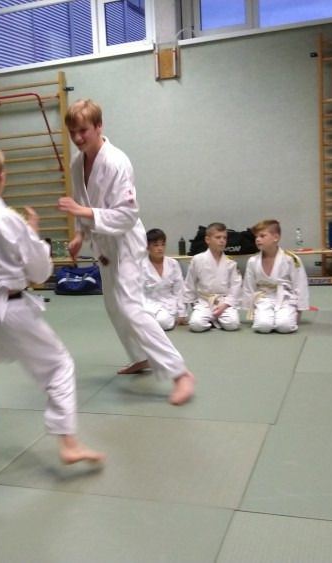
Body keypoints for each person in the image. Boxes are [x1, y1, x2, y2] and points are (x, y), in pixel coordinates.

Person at [0, 144, 104, 493]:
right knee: (59, 367)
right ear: (2, 177)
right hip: (13, 309)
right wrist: (31, 232)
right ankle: (68, 442)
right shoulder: (10, 221)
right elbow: (40, 271)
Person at [56, 99, 195, 405]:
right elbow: (84, 205)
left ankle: (180, 373)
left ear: (99, 126)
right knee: (113, 306)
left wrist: (83, 213)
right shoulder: (77, 163)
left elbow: (127, 215)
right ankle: (141, 356)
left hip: (126, 244)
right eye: (72, 132)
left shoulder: (117, 162)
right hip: (104, 245)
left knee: (131, 307)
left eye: (83, 130)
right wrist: (80, 235)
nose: (77, 138)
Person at [242, 219, 309, 334]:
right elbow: (249, 286)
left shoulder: (290, 259)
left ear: (276, 238)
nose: (257, 239)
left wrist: (299, 310)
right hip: (263, 298)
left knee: (284, 326)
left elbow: (300, 284)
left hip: (285, 299)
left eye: (262, 236)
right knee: (263, 326)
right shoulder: (253, 261)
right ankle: (266, 317)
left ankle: (283, 316)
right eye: (256, 236)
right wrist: (250, 308)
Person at [184, 222, 242, 332]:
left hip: (223, 301)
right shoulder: (197, 259)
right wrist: (185, 310)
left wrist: (226, 304)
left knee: (233, 324)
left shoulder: (230, 262)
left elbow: (235, 286)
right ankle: (212, 321)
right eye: (218, 237)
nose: (222, 241)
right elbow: (189, 284)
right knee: (196, 325)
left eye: (224, 238)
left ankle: (213, 320)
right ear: (207, 239)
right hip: (204, 301)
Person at [143, 228, 187, 331]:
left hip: (168, 304)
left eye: (163, 245)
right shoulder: (141, 266)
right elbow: (137, 292)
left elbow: (179, 290)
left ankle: (164, 320)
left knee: (163, 322)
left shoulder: (173, 264)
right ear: (147, 246)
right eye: (156, 245)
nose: (160, 248)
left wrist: (182, 313)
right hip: (148, 304)